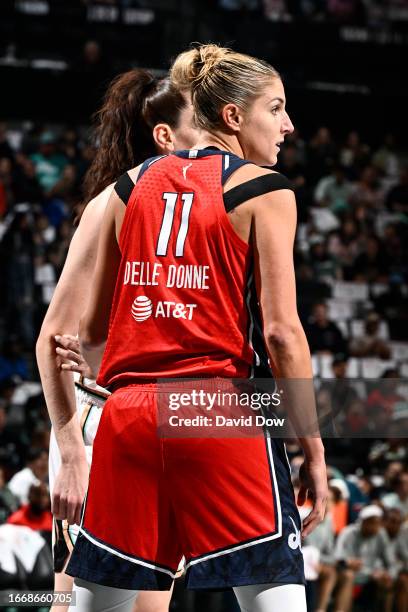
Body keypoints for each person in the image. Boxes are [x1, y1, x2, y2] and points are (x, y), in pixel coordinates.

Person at [66, 44, 327, 612]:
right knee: (273, 598)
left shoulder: (124, 189)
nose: (288, 124)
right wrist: (313, 450)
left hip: (127, 416)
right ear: (233, 117)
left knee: (95, 604)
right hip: (212, 409)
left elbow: (90, 332)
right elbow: (281, 333)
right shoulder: (264, 188)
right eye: (276, 108)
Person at [36, 68, 200, 612]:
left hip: (160, 421)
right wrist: (70, 448)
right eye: (198, 124)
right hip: (102, 417)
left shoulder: (203, 208)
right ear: (165, 135)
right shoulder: (114, 202)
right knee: (71, 603)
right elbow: (56, 336)